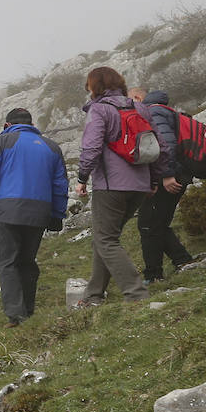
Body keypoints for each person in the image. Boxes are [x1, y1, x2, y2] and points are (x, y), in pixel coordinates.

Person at [74, 66, 166, 307]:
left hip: (110, 186)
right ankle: (93, 295)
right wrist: (153, 180)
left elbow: (91, 148)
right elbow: (160, 147)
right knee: (105, 238)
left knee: (106, 240)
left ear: (95, 86)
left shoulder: (99, 109)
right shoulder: (140, 107)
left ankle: (136, 294)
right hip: (139, 186)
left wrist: (82, 178)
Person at [0, 108, 69, 327]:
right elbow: (60, 184)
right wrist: (57, 214)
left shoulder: (2, 142)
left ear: (7, 125)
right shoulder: (51, 146)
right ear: (31, 124)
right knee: (27, 261)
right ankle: (29, 310)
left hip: (9, 211)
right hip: (40, 213)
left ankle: (16, 315)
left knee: (7, 262)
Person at [137, 90, 197, 281]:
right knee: (158, 223)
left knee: (148, 224)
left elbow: (167, 144)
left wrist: (168, 175)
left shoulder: (152, 112)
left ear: (138, 98)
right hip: (177, 172)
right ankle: (182, 261)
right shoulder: (163, 111)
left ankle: (154, 274)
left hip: (170, 175)